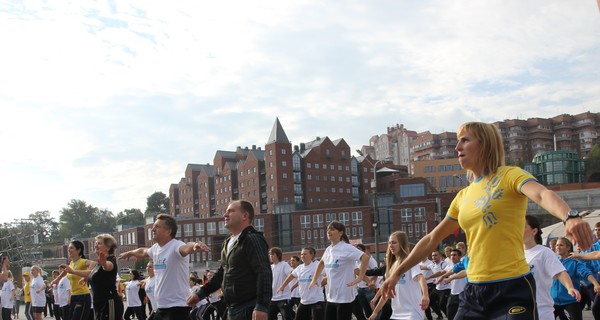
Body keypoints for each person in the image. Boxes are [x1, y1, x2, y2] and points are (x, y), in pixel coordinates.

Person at [379, 121, 594, 320]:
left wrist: (569, 216)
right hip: (473, 291)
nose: (457, 147)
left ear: (484, 144)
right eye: (457, 141)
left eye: (465, 140)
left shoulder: (510, 175)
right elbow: (431, 239)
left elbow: (541, 194)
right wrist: (397, 272)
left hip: (512, 289)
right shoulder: (463, 196)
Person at [186, 200, 272, 320]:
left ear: (245, 216)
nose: (225, 215)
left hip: (249, 309)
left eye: (231, 211)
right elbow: (222, 272)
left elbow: (264, 272)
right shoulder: (228, 241)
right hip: (232, 308)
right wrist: (201, 293)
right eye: (226, 211)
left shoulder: (252, 239)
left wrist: (262, 306)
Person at [119, 213, 210, 320]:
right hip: (161, 307)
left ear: (168, 231)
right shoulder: (155, 248)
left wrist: (195, 245)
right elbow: (142, 251)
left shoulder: (176, 246)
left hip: (177, 307)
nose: (153, 229)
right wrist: (129, 253)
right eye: (153, 227)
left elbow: (186, 247)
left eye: (157, 227)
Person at [308, 221, 369, 320]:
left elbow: (365, 257)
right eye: (328, 229)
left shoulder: (346, 247)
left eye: (332, 229)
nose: (329, 231)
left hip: (344, 297)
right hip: (331, 296)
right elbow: (321, 263)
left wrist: (361, 277)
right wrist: (314, 279)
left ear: (341, 233)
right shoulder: (328, 249)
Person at [523, 215, 580, 320]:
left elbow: (560, 272)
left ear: (534, 231)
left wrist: (570, 287)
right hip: (518, 310)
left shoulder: (544, 252)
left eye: (522, 226)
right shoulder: (514, 253)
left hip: (541, 311)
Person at [368, 231, 429, 320]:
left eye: (394, 242)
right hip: (396, 313)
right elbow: (386, 292)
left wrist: (425, 295)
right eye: (389, 243)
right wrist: (375, 312)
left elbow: (420, 277)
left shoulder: (410, 261)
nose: (391, 245)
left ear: (402, 244)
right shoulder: (392, 266)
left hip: (412, 312)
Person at [62, 234, 124, 320]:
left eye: (99, 243)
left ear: (108, 247)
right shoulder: (99, 263)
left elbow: (108, 266)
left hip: (109, 302)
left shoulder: (110, 260)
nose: (95, 245)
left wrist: (104, 263)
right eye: (95, 243)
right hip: (98, 302)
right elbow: (91, 272)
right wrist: (76, 273)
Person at [552, 237, 599, 320]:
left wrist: (595, 283)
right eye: (557, 245)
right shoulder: (553, 261)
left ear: (568, 248)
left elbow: (585, 273)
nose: (558, 247)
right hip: (554, 301)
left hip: (571, 300)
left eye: (561, 245)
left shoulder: (574, 262)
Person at [277, 247, 325, 320]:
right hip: (304, 301)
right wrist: (283, 286)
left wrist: (322, 282)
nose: (302, 256)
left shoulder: (317, 265)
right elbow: (291, 276)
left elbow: (328, 275)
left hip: (316, 301)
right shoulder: (300, 268)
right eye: (301, 254)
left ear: (311, 255)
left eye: (305, 254)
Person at [51, 240, 93, 320]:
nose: (68, 250)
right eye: (68, 248)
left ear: (78, 250)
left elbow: (93, 264)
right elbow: (66, 271)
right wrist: (57, 279)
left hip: (82, 296)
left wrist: (86, 276)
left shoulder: (82, 261)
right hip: (74, 296)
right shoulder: (71, 263)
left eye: (71, 248)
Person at [353, 244, 378, 320]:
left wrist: (370, 282)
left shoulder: (369, 260)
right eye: (356, 249)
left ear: (363, 251)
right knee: (366, 311)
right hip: (360, 289)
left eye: (359, 249)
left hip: (368, 289)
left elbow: (376, 272)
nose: (357, 250)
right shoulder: (357, 261)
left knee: (373, 309)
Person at [268, 247, 293, 320]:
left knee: (287, 318)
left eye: (273, 254)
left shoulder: (284, 264)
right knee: (270, 317)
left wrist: (283, 286)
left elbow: (292, 274)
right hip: (272, 299)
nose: (271, 256)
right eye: (270, 254)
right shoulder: (270, 267)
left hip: (283, 298)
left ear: (278, 255)